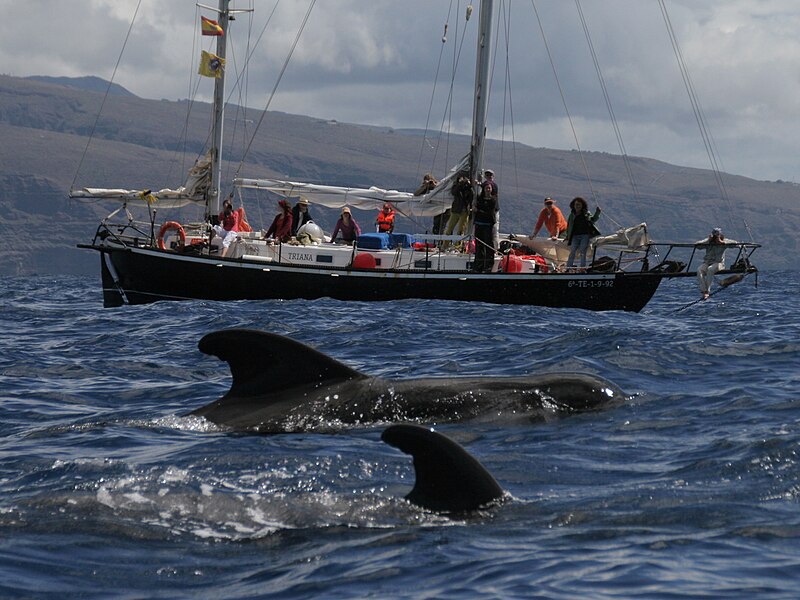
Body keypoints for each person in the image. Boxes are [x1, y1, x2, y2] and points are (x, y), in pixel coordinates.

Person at [696, 227, 736, 300]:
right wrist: (708, 241)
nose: (715, 237)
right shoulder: (709, 241)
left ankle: (707, 291)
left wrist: (722, 242)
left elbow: (735, 244)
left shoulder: (724, 241)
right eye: (714, 235)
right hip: (707, 262)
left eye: (717, 235)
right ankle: (704, 291)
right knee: (699, 270)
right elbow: (697, 245)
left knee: (710, 269)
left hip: (719, 263)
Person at [472, 168, 499, 272]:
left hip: (487, 224)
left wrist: (477, 210)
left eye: (489, 188)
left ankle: (488, 264)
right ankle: (478, 264)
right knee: (479, 245)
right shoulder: (479, 198)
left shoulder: (493, 200)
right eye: (486, 188)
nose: (488, 189)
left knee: (488, 244)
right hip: (479, 223)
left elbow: (489, 213)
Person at [565, 196, 601, 269]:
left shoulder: (586, 213)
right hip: (574, 236)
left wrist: (597, 212)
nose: (577, 206)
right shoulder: (572, 215)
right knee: (572, 251)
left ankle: (582, 268)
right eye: (576, 204)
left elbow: (593, 220)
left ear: (582, 205)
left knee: (582, 251)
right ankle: (568, 267)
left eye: (579, 204)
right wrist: (567, 236)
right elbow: (569, 225)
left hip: (584, 235)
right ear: (573, 205)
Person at [444, 171, 473, 240]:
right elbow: (454, 192)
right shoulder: (456, 185)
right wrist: (460, 184)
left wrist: (469, 185)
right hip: (456, 210)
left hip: (464, 210)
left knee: (461, 230)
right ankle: (445, 245)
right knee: (449, 229)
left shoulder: (468, 187)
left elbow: (471, 196)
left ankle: (458, 246)